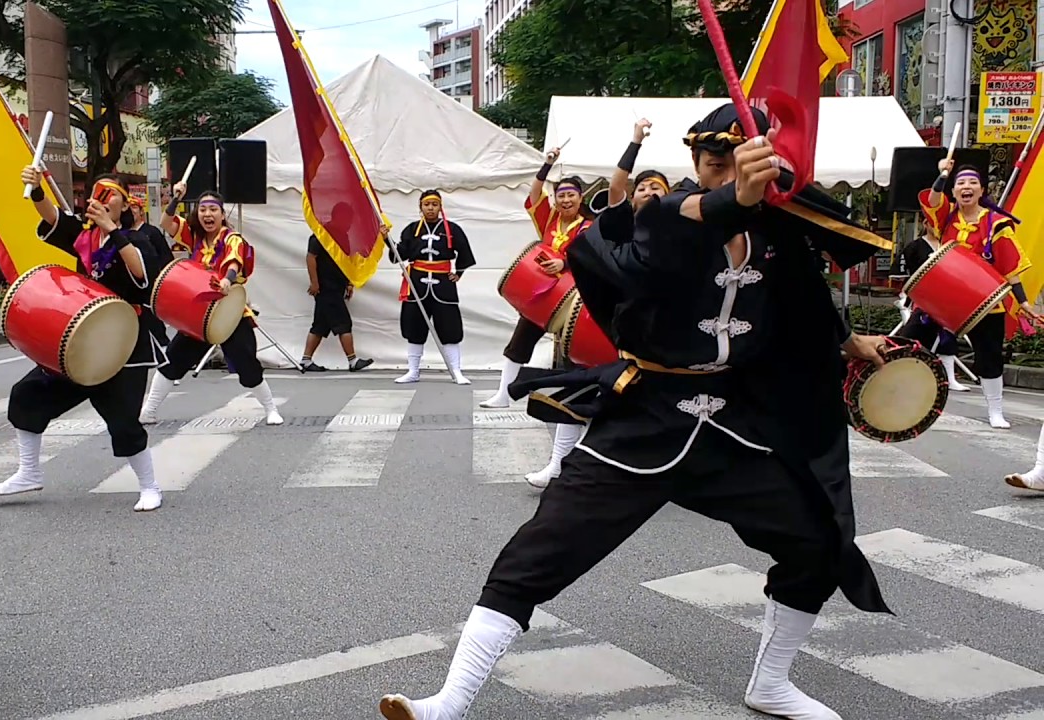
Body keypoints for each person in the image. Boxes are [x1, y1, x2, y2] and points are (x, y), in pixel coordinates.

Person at [377, 103, 892, 720]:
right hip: (645, 418)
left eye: (741, 163)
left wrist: (849, 342)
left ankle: (771, 684)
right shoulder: (663, 219)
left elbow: (805, 302)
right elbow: (665, 245)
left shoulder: (778, 237)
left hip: (733, 427)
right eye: (716, 163)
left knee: (817, 543)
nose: (727, 173)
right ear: (698, 165)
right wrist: (735, 199)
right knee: (540, 553)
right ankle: (448, 703)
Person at [0, 167, 168, 512]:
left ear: (124, 204)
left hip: (122, 344)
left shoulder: (138, 238)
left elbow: (143, 273)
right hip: (79, 340)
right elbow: (52, 215)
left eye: (109, 192)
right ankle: (28, 472)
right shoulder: (84, 236)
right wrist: (37, 189)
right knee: (28, 394)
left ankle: (150, 487)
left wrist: (113, 231)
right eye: (95, 191)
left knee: (124, 421)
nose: (100, 197)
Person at [526, 118, 667, 488]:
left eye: (658, 188)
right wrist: (634, 141)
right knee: (579, 392)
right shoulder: (621, 223)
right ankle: (557, 464)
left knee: (645, 403)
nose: (650, 192)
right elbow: (617, 183)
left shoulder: (680, 228)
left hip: (657, 331)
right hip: (603, 322)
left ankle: (656, 470)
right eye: (645, 187)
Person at [140, 183, 284, 426]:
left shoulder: (232, 238)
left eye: (212, 209)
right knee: (172, 360)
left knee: (247, 363)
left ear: (221, 213)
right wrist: (177, 198)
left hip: (230, 312)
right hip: (198, 312)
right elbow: (166, 221)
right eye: (202, 209)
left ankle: (271, 409)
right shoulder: (193, 237)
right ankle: (149, 411)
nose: (207, 214)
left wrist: (227, 281)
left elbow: (234, 263)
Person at [914, 161, 1038, 428]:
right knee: (907, 339)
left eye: (972, 183)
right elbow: (932, 201)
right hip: (944, 298)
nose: (966, 187)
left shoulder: (996, 224)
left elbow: (1010, 268)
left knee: (989, 356)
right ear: (954, 191)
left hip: (984, 302)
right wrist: (943, 174)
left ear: (981, 190)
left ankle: (995, 410)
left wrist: (1023, 301)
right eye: (960, 183)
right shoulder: (946, 217)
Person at [479, 150, 593, 408]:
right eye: (561, 196)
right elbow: (534, 194)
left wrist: (564, 263)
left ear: (580, 198)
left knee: (573, 354)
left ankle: (572, 401)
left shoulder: (588, 227)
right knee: (518, 344)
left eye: (570, 195)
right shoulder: (550, 221)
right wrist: (547, 164)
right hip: (542, 296)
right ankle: (503, 395)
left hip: (573, 300)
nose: (565, 200)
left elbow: (593, 259)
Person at [388, 189, 476, 384]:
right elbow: (399, 254)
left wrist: (458, 273)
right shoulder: (411, 229)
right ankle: (413, 371)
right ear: (420, 207)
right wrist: (387, 240)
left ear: (440, 207)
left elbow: (465, 253)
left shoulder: (452, 229)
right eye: (427, 204)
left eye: (434, 204)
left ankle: (456, 371)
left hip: (443, 284)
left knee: (450, 327)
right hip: (416, 283)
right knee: (414, 327)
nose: (430, 208)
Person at [895, 217, 969, 391]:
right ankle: (904, 371)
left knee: (948, 334)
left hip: (948, 298)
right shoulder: (914, 247)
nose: (936, 227)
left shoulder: (951, 245)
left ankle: (949, 377)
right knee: (913, 333)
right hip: (923, 299)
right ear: (925, 224)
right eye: (932, 222)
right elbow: (904, 276)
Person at [302, 203, 374, 372]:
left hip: (338, 286)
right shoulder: (321, 234)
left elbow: (346, 262)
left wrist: (349, 283)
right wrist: (314, 282)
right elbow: (311, 257)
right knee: (343, 323)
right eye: (346, 219)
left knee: (320, 326)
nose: (349, 223)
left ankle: (306, 360)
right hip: (326, 288)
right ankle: (352, 360)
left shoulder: (344, 236)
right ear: (337, 217)